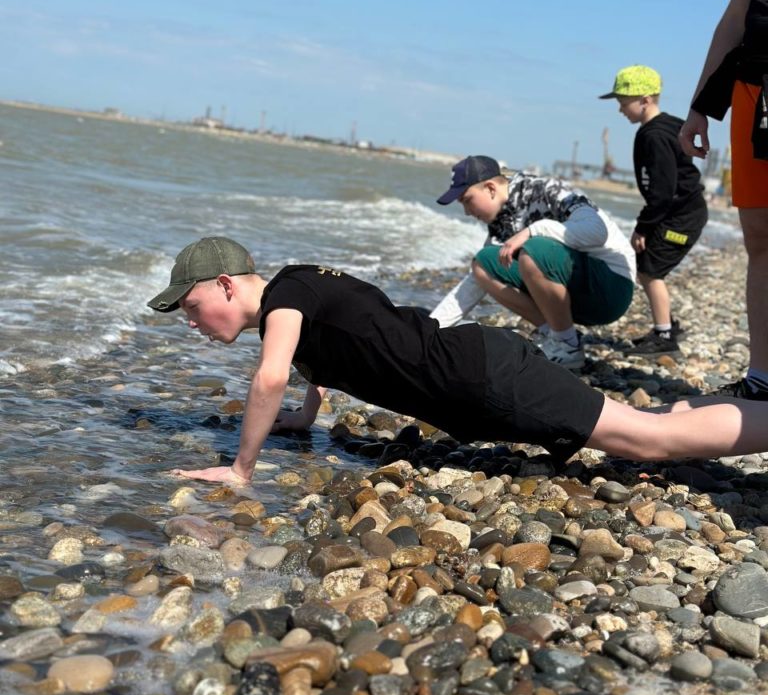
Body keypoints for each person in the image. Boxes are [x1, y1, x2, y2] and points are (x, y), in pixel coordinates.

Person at [148, 236, 768, 485]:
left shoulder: (287, 299)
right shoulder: (297, 296)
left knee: (647, 441)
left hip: (487, 378)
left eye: (192, 307)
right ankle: (745, 407)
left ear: (227, 284)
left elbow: (273, 375)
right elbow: (318, 366)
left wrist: (241, 468)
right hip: (479, 373)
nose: (193, 323)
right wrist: (304, 418)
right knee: (654, 419)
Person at [678, 0, 768, 399]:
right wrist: (699, 106)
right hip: (753, 87)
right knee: (760, 237)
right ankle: (763, 378)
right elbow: (738, 11)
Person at [429, 156, 636, 371]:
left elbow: (597, 231)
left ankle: (568, 348)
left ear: (490, 188)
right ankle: (558, 337)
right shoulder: (501, 224)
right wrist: (431, 329)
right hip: (576, 297)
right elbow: (474, 284)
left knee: (535, 251)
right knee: (483, 263)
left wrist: (533, 230)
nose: (466, 212)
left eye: (466, 200)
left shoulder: (546, 189)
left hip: (612, 288)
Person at [599, 65, 708, 355]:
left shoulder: (654, 135)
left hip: (681, 215)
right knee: (647, 264)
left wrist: (643, 226)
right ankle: (667, 325)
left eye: (624, 104)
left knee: (649, 271)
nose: (621, 111)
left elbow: (663, 190)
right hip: (681, 210)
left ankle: (665, 337)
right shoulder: (671, 125)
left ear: (645, 100)